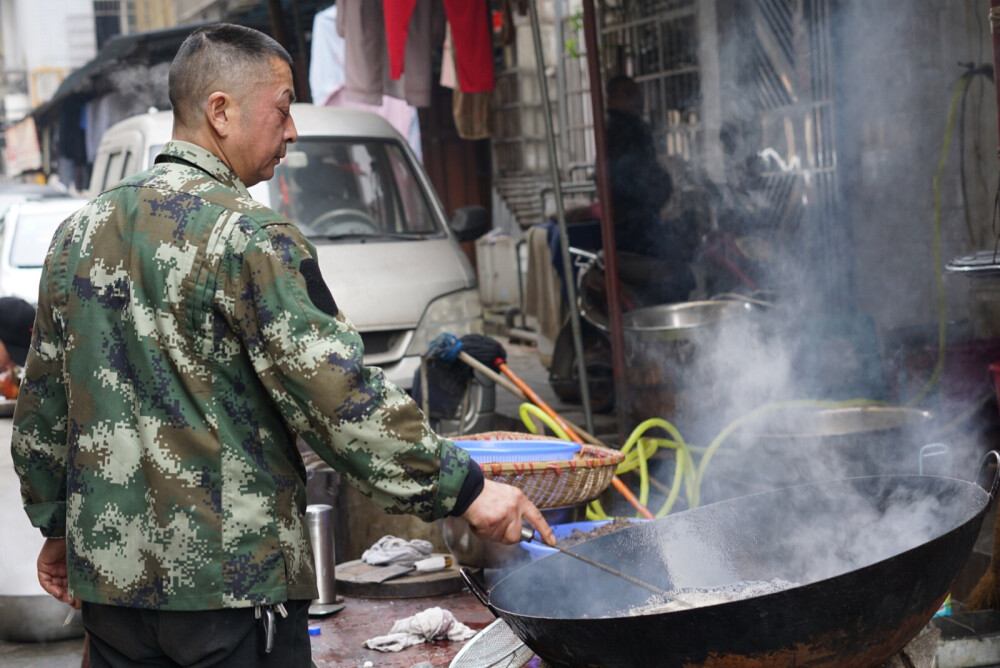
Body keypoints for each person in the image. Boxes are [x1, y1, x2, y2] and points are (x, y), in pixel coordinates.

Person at [11, 23, 554, 667]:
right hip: (231, 593)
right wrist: (466, 491)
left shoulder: (77, 234)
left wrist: (56, 528)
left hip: (112, 594)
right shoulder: (249, 237)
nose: (291, 130)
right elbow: (341, 401)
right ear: (221, 110)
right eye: (283, 107)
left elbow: (42, 409)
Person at [604, 75, 695, 304]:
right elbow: (624, 177)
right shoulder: (615, 129)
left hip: (645, 219)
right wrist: (656, 188)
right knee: (668, 278)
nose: (636, 99)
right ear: (611, 98)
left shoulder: (634, 127)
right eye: (627, 93)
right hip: (631, 227)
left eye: (636, 92)